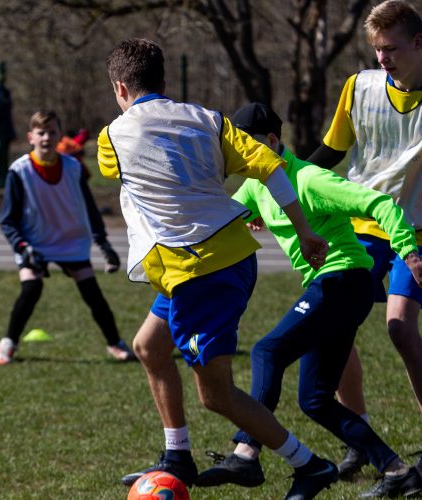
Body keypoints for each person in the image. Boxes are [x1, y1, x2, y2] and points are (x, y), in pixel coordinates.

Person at [99, 38, 338, 500]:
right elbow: (271, 166)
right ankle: (177, 456)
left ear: (120, 87)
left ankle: (310, 465)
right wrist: (305, 232)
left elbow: (116, 170)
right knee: (149, 346)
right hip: (216, 260)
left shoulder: (113, 137)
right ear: (164, 81)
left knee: (216, 395)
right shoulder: (210, 120)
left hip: (199, 270)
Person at [195, 102, 422, 498]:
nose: (237, 152)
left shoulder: (309, 179)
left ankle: (247, 451)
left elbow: (380, 203)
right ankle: (397, 469)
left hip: (346, 280)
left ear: (270, 142)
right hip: (329, 287)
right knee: (315, 400)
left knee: (267, 350)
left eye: (245, 143)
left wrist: (409, 250)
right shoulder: (255, 185)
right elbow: (224, 219)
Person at [307, 0, 422, 479]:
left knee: (399, 327)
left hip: (414, 230)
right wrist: (283, 191)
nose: (382, 59)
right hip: (360, 225)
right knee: (335, 323)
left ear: (419, 43)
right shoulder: (360, 87)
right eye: (377, 50)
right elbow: (331, 150)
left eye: (391, 48)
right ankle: (358, 436)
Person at [0, 110, 135, 365]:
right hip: (34, 243)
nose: (46, 137)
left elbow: (89, 208)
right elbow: (7, 220)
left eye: (52, 132)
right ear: (30, 137)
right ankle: (9, 342)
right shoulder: (19, 170)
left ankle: (115, 343)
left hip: (71, 241)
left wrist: (103, 243)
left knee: (93, 294)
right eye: (41, 133)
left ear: (60, 136)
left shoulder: (73, 167)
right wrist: (23, 247)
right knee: (31, 289)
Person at [56, 128, 121, 273]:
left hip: (75, 183)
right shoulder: (29, 167)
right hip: (57, 190)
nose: (47, 137)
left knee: (90, 215)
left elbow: (78, 146)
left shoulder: (66, 149)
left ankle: (105, 249)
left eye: (52, 132)